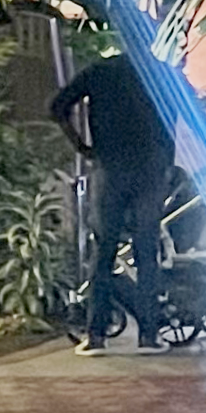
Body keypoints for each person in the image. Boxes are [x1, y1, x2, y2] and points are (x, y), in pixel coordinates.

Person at [49, 49, 174, 352]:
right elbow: (176, 116)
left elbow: (57, 107)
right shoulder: (161, 70)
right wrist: (166, 160)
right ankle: (149, 334)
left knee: (103, 252)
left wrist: (82, 146)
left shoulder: (100, 71)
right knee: (147, 250)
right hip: (149, 168)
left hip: (110, 167)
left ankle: (96, 335)